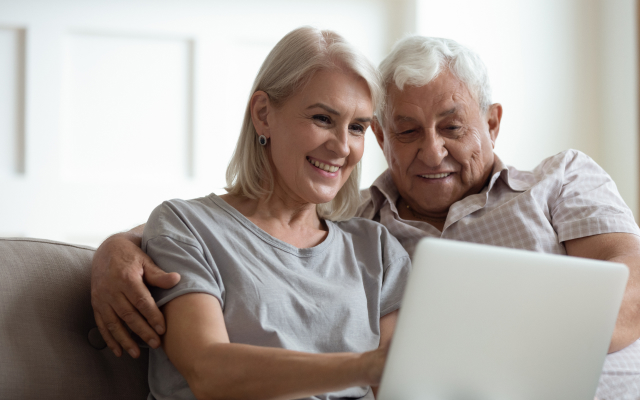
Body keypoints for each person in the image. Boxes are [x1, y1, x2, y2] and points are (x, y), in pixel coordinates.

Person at [91, 35, 640, 399]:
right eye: (405, 130)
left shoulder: (559, 180)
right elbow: (223, 235)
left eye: (452, 127)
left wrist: (493, 355)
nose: (431, 152)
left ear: (492, 123)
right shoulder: (373, 224)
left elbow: (630, 293)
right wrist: (115, 245)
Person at [110, 26, 412, 400]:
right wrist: (366, 366)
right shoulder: (187, 227)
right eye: (322, 118)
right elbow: (208, 371)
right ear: (264, 114)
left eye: (357, 127)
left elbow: (402, 389)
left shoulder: (377, 249)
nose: (342, 147)